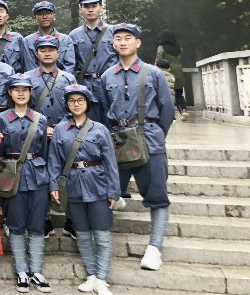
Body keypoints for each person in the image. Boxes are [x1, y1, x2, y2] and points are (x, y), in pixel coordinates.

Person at [101, 23, 174, 271]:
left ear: (138, 43)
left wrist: (155, 135)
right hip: (118, 141)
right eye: (118, 38)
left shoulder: (153, 73)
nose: (122, 42)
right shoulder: (107, 76)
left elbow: (167, 110)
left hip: (148, 138)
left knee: (156, 196)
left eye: (128, 38)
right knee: (109, 191)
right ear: (113, 43)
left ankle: (155, 248)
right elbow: (103, 111)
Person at [48, 84, 120, 295]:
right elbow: (54, 161)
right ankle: (91, 274)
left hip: (98, 185)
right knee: (82, 233)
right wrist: (54, 185)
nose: (76, 104)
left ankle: (102, 278)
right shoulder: (61, 129)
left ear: (87, 103)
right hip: (73, 186)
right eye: (71, 101)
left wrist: (113, 191)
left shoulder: (100, 129)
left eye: (80, 100)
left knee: (102, 234)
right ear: (67, 105)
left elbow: (110, 162)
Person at [0, 74, 51, 294]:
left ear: (30, 93)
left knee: (37, 224)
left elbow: (45, 152)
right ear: (9, 92)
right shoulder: (1, 120)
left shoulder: (40, 118)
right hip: (11, 176)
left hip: (37, 175)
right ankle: (21, 271)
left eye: (25, 90)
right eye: (16, 89)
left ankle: (36, 270)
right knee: (16, 224)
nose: (20, 93)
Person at [26, 36, 77, 239]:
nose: (47, 53)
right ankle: (44, 218)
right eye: (43, 50)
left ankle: (71, 219)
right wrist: (41, 128)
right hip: (37, 134)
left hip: (63, 132)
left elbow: (75, 106)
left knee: (68, 174)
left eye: (51, 49)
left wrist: (61, 129)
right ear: (36, 53)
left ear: (58, 53)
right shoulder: (27, 78)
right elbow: (23, 108)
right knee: (40, 175)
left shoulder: (68, 79)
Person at [69, 0, 116, 125]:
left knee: (113, 128)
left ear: (101, 7)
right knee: (89, 128)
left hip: (109, 86)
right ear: (81, 9)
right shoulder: (74, 35)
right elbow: (71, 64)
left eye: (94, 5)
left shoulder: (113, 32)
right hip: (86, 86)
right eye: (86, 6)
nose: (90, 9)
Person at [22, 1, 76, 74]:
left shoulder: (66, 40)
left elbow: (69, 66)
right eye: (40, 14)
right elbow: (29, 66)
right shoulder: (28, 41)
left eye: (47, 13)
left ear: (54, 16)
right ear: (35, 18)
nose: (44, 17)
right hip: (36, 83)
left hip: (61, 82)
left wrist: (60, 81)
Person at [0, 0, 27, 73]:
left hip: (14, 81)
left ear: (7, 16)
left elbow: (24, 64)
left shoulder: (17, 38)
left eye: (1, 11)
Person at [155, 29, 187, 120]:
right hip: (179, 73)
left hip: (166, 72)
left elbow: (159, 58)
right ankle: (184, 110)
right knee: (179, 94)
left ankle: (171, 115)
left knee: (166, 95)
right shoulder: (178, 47)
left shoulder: (161, 47)